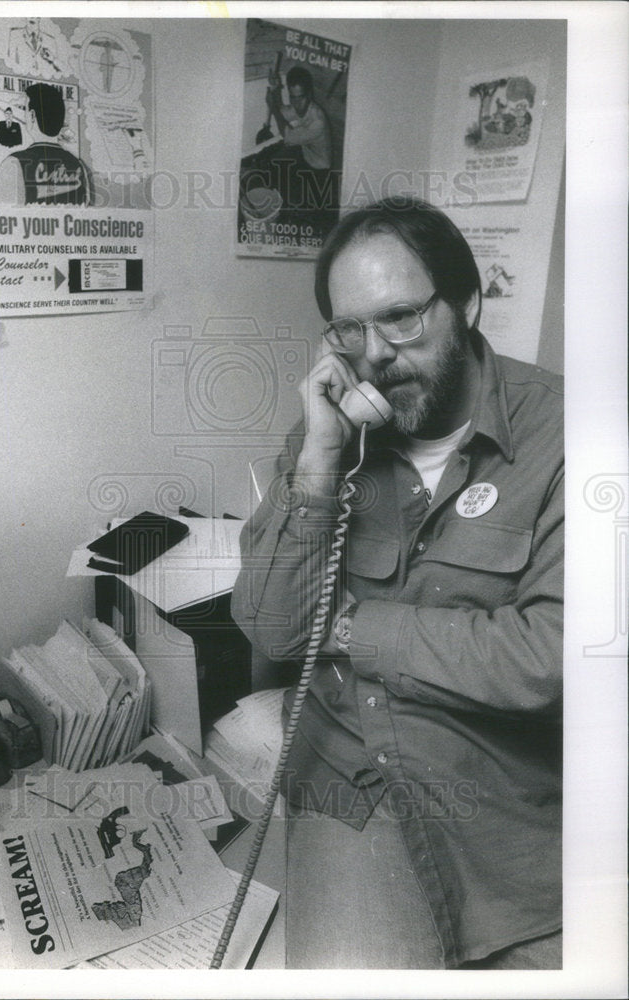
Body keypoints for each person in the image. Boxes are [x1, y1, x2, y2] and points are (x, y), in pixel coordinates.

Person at [231, 196, 563, 969]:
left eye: (402, 318)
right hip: (353, 778)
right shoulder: (334, 435)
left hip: (505, 793)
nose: (373, 352)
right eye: (349, 328)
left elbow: (549, 656)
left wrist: (349, 627)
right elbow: (274, 628)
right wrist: (318, 461)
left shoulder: (570, 437)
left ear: (468, 303)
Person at [241, 66, 337, 219]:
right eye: (293, 97)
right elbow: (281, 111)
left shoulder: (317, 120)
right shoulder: (301, 107)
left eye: (301, 97)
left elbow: (287, 136)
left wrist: (272, 105)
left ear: (310, 94)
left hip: (319, 172)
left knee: (296, 207)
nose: (297, 103)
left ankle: (292, 210)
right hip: (306, 154)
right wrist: (275, 89)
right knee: (273, 164)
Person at [0, 83, 91, 205]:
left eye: (25, 109)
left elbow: (1, 217)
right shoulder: (79, 165)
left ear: (32, 116)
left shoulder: (14, 163)